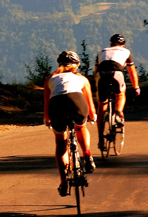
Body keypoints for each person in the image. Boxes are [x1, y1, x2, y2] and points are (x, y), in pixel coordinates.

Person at [44, 50, 97, 197]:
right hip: (78, 103)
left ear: (59, 64)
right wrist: (92, 116)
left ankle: (64, 182)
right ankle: (87, 154)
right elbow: (90, 104)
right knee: (81, 127)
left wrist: (48, 119)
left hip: (57, 106)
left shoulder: (50, 78)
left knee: (61, 142)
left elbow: (47, 103)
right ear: (76, 65)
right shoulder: (82, 78)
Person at [94, 33, 140, 151]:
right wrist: (136, 87)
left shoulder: (101, 52)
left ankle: (100, 139)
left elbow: (95, 72)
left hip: (101, 75)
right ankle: (118, 114)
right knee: (120, 94)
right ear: (123, 44)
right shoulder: (126, 52)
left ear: (111, 44)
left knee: (101, 105)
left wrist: (97, 87)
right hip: (116, 74)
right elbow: (132, 72)